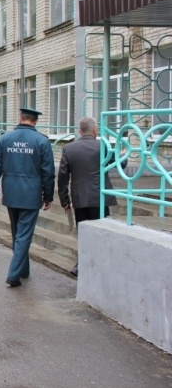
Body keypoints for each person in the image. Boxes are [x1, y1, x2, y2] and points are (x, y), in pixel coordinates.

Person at [0, 107, 55, 287]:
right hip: (31, 195)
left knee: (18, 233)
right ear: (35, 121)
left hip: (10, 192)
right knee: (23, 235)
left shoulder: (5, 139)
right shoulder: (42, 141)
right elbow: (48, 172)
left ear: (20, 118)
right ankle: (13, 274)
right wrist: (48, 196)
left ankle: (23, 269)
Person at [57, 116, 125, 278]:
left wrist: (64, 200)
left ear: (80, 131)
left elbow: (62, 177)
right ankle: (96, 266)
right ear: (95, 130)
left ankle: (81, 265)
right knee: (101, 233)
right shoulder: (103, 146)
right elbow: (120, 164)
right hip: (99, 199)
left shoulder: (69, 149)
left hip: (79, 199)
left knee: (84, 234)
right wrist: (123, 154)